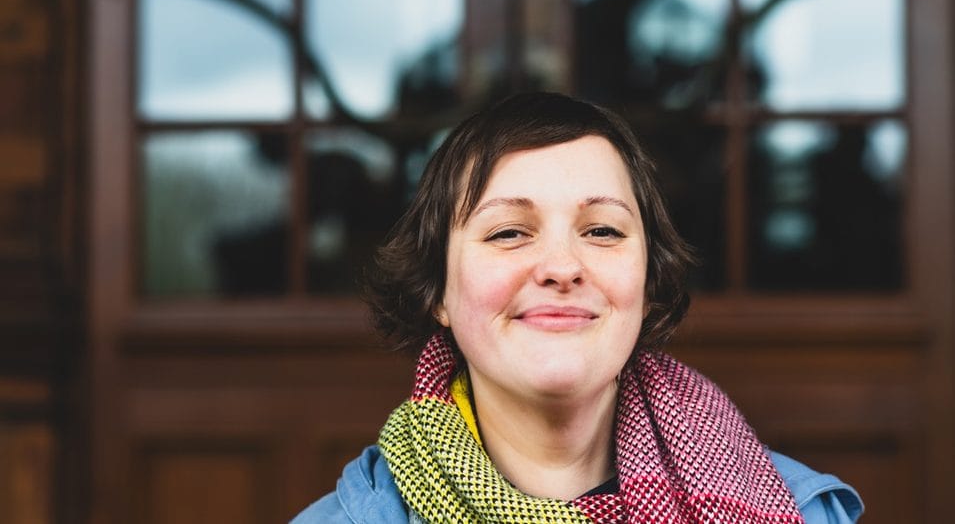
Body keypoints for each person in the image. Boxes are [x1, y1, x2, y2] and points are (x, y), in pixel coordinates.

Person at [292, 92, 863, 523]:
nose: (562, 266)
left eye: (603, 231)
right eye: (510, 232)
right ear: (437, 289)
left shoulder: (803, 510)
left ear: (646, 278)